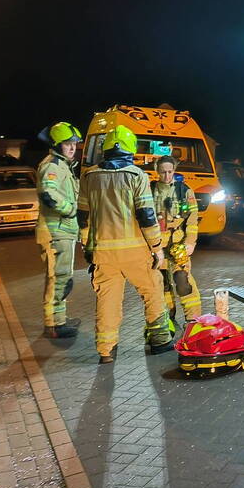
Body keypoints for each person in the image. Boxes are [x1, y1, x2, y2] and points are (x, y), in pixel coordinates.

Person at [78, 125, 171, 363]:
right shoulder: (136, 176)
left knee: (107, 300)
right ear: (130, 149)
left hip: (103, 254)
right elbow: (147, 216)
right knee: (152, 291)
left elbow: (83, 217)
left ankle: (106, 350)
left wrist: (87, 248)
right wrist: (157, 248)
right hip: (136, 253)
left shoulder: (89, 176)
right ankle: (160, 341)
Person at [35, 122, 83, 339]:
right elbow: (48, 193)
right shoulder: (52, 166)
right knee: (58, 278)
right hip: (56, 232)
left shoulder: (64, 166)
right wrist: (71, 210)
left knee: (63, 278)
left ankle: (59, 320)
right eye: (67, 144)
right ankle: (53, 325)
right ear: (56, 145)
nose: (72, 148)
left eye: (74, 144)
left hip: (63, 232)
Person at [151, 155, 201, 326]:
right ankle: (168, 317)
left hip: (178, 243)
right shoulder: (149, 191)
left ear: (174, 171)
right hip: (157, 246)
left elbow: (192, 219)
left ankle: (193, 319)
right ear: (157, 171)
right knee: (162, 284)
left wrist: (190, 242)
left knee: (182, 280)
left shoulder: (184, 191)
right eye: (163, 172)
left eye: (170, 172)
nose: (167, 176)